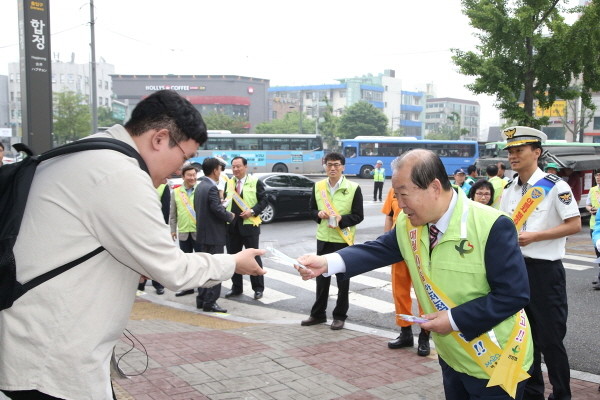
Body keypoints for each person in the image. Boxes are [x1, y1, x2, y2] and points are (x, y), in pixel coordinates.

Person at [0, 90, 265, 400]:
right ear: (159, 139)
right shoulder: (118, 174)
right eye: (183, 156)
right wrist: (234, 262)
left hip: (33, 347)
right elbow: (174, 271)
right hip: (49, 361)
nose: (180, 169)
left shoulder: (83, 154)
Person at [297, 149, 532, 400]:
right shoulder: (409, 223)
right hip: (452, 356)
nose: (399, 203)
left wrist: (453, 320)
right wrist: (326, 262)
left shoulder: (492, 225)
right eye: (395, 195)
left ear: (433, 187)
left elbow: (513, 295)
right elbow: (379, 249)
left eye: (403, 194)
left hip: (497, 360)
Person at [499, 126, 581, 400]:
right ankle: (533, 393)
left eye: (519, 150)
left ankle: (561, 394)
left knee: (551, 340)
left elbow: (574, 225)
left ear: (536, 152)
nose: (513, 155)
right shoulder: (509, 189)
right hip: (517, 271)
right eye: (510, 151)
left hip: (546, 273)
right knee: (525, 337)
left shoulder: (555, 186)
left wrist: (536, 236)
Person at [301, 152, 363, 331]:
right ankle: (318, 314)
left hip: (343, 240)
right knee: (321, 279)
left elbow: (358, 216)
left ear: (343, 167)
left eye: (336, 165)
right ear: (325, 166)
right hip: (324, 239)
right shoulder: (318, 186)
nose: (332, 168)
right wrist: (318, 215)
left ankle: (340, 316)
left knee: (343, 281)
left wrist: (341, 219)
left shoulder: (353, 187)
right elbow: (311, 210)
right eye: (329, 165)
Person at [381, 186, 430, 356]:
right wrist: (386, 244)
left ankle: (425, 335)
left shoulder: (424, 189)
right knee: (399, 291)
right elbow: (389, 217)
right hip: (399, 247)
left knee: (424, 293)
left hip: (421, 249)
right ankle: (405, 333)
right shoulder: (392, 190)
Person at [194, 157, 236, 313]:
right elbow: (217, 210)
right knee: (216, 268)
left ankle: (201, 299)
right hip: (214, 235)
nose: (220, 172)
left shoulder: (200, 187)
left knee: (204, 268)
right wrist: (230, 216)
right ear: (214, 170)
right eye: (220, 169)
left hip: (203, 234)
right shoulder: (211, 188)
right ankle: (210, 302)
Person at [224, 156, 268, 300]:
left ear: (245, 167)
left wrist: (252, 211)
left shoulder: (255, 182)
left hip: (250, 226)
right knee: (234, 259)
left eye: (238, 166)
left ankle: (258, 288)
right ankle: (236, 288)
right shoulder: (228, 183)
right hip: (232, 226)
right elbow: (224, 200)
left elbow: (264, 201)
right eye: (234, 167)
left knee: (254, 258)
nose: (236, 169)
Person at [170, 164, 201, 297]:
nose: (192, 177)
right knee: (185, 263)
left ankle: (201, 289)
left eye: (194, 175)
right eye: (189, 175)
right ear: (183, 176)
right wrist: (173, 230)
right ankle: (188, 287)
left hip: (198, 231)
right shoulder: (176, 192)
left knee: (200, 261)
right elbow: (173, 213)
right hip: (183, 232)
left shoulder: (200, 189)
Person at [137, 182, 170, 294]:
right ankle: (140, 283)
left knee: (157, 258)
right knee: (141, 256)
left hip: (156, 229)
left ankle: (158, 284)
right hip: (141, 228)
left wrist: (161, 230)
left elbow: (165, 210)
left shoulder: (162, 186)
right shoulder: (139, 182)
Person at [586, 171, 600, 288]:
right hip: (594, 225)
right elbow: (587, 204)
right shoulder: (593, 190)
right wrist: (590, 209)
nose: (598, 178)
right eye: (597, 175)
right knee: (598, 253)